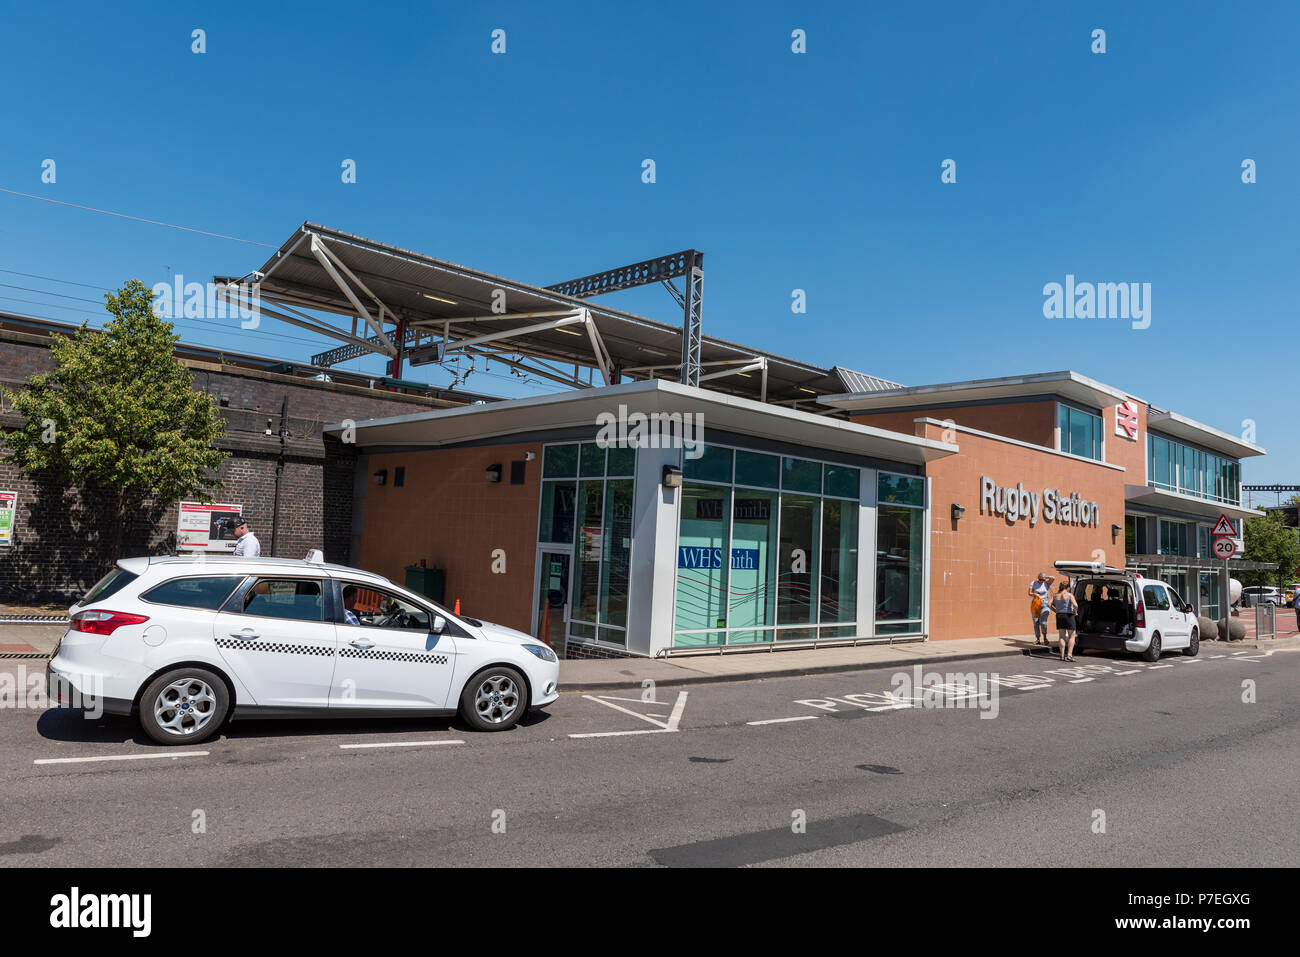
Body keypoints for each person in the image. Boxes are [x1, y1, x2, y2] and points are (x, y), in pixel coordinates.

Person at [1053, 580, 1079, 661]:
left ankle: (1061, 656)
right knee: (1072, 636)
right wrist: (1075, 611)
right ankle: (1069, 655)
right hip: (1068, 615)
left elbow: (1048, 604)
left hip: (1059, 615)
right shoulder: (1069, 595)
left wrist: (1056, 610)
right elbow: (1075, 605)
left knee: (1061, 636)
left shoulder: (1056, 595)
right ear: (1068, 588)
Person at [1028, 571, 1055, 645]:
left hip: (1045, 603)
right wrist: (1034, 594)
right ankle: (1037, 639)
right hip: (1036, 603)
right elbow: (1029, 593)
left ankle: (1045, 638)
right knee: (1036, 622)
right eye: (1040, 580)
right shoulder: (1033, 583)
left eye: (1043, 580)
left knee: (1043, 622)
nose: (1041, 582)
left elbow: (1053, 578)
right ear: (1038, 578)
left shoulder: (1046, 583)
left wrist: (1045, 577)